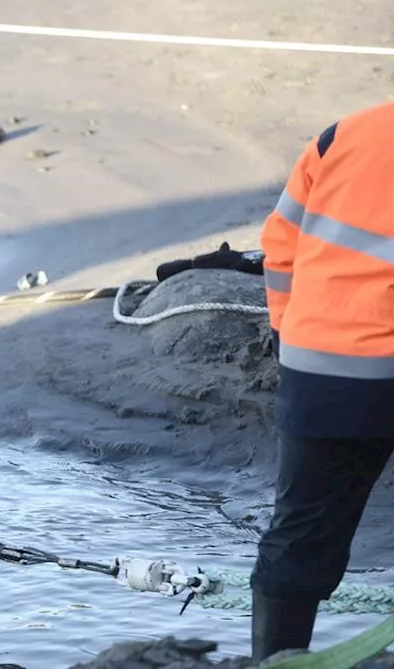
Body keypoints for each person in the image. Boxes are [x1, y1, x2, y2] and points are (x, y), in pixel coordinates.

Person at [251, 102, 395, 661]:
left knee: (301, 533)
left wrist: (292, 334)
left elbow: (280, 243)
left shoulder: (344, 134)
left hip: (323, 368)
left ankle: (274, 660)